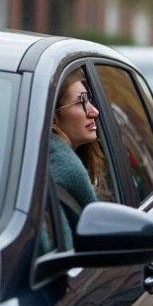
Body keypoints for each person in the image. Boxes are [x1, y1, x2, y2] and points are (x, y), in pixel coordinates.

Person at [48, 69, 106, 245]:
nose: (94, 111)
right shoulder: (65, 172)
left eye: (88, 100)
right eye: (81, 102)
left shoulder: (75, 162)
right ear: (52, 117)